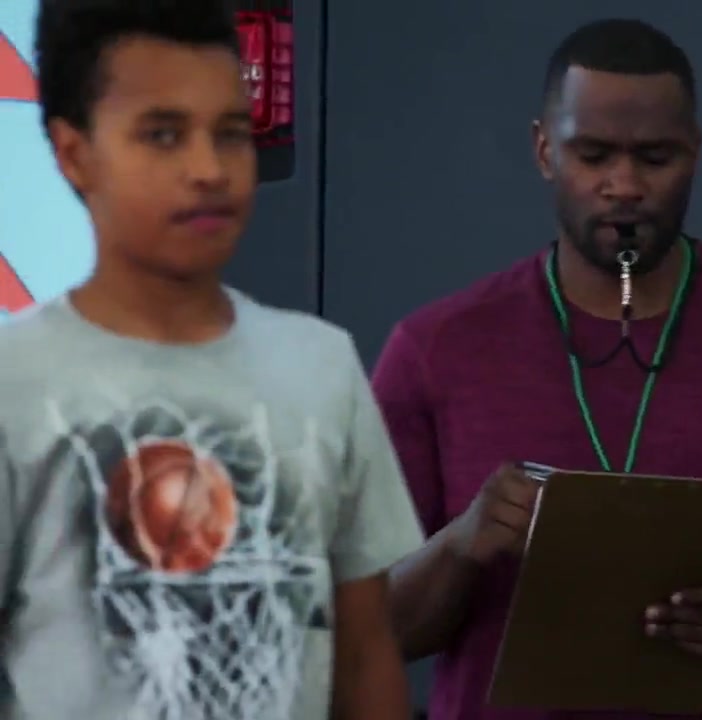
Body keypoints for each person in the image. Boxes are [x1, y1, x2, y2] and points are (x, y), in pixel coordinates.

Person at [373, 17, 702, 720]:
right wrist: (460, 547)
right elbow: (361, 632)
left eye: (655, 157)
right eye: (593, 154)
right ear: (544, 150)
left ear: (695, 152)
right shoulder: (435, 349)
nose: (623, 186)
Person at [0, 1, 422, 718]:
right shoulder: (16, 381)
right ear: (74, 154)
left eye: (230, 134)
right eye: (163, 135)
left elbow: (363, 653)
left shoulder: (321, 366)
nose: (208, 169)